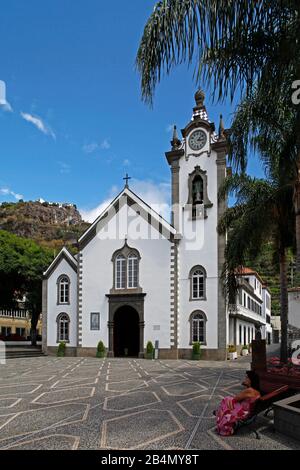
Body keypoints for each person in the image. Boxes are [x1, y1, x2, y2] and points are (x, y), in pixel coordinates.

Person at [215, 370, 261, 436]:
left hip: (244, 413)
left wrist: (244, 384)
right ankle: (220, 413)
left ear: (251, 380)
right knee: (228, 401)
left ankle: (222, 419)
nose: (245, 378)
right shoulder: (257, 392)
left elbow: (236, 399)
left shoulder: (249, 390)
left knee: (226, 399)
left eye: (247, 377)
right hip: (250, 412)